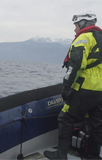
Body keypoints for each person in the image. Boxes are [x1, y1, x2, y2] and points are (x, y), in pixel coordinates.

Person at [44, 11, 102, 160]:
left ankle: (61, 155)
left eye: (75, 25)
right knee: (97, 123)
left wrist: (66, 87)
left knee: (66, 118)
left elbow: (75, 65)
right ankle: (93, 156)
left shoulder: (83, 38)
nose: (74, 29)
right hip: (100, 90)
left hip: (83, 88)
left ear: (82, 24)